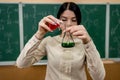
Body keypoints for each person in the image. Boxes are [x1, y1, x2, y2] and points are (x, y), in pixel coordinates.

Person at [16, 2, 105, 80]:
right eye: (64, 19)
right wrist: (39, 34)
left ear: (78, 22)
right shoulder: (49, 42)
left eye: (74, 20)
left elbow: (99, 77)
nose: (69, 24)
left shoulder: (84, 44)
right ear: (58, 21)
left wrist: (88, 42)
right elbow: (21, 64)